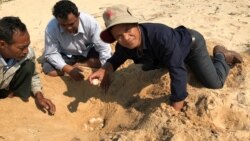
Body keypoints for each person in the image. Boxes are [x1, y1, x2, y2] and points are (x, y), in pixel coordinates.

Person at [88, 4, 243, 111]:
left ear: (136, 24)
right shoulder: (123, 45)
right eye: (119, 36)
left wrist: (177, 102)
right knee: (148, 66)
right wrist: (104, 69)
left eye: (128, 30)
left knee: (214, 83)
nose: (126, 38)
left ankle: (222, 55)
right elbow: (117, 58)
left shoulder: (161, 37)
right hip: (166, 52)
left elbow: (178, 71)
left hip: (192, 46)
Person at [42, 0, 112, 81]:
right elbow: (51, 53)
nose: (68, 28)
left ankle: (81, 64)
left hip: (88, 50)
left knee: (109, 59)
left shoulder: (90, 22)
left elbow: (103, 48)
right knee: (48, 68)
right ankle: (71, 69)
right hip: (67, 55)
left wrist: (105, 72)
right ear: (57, 20)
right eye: (63, 25)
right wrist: (68, 69)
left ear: (78, 15)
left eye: (71, 24)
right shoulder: (51, 28)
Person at [0, 16, 56, 115]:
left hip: (6, 84)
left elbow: (34, 76)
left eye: (27, 45)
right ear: (2, 45)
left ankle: (18, 102)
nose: (26, 51)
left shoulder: (28, 53)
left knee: (28, 66)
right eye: (21, 48)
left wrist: (39, 95)